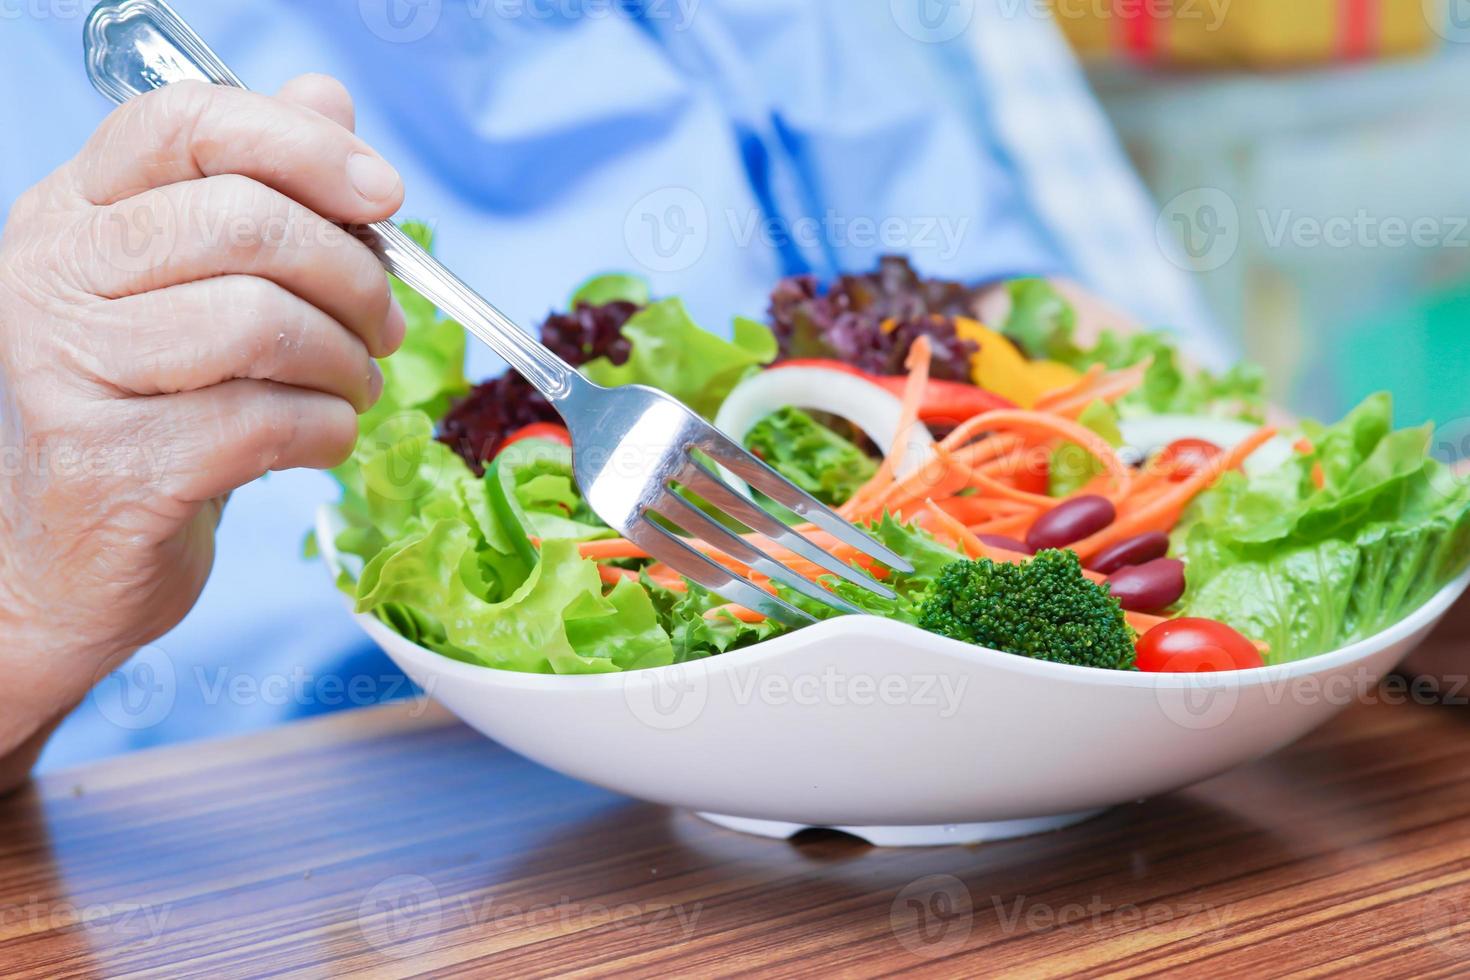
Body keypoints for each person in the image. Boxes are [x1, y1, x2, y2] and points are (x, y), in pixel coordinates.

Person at [0, 0, 1224, 788]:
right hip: (195, 875)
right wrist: (32, 602)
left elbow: (1018, 323)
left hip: (842, 801)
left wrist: (1230, 475)